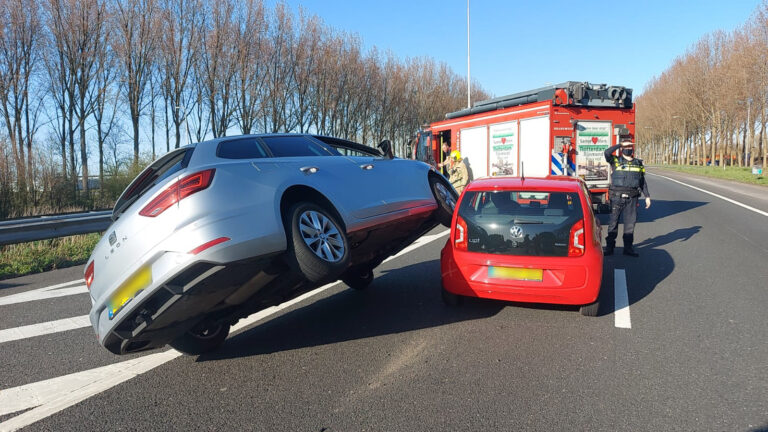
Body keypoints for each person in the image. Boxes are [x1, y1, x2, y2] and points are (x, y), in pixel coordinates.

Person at [604, 140, 651, 257]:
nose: (628, 148)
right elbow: (607, 152)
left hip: (632, 198)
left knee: (630, 224)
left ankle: (628, 248)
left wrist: (647, 196)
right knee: (613, 224)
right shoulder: (615, 160)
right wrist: (620, 144)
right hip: (616, 198)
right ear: (622, 149)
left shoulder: (638, 163)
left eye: (630, 146)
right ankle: (609, 248)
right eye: (626, 146)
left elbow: (642, 182)